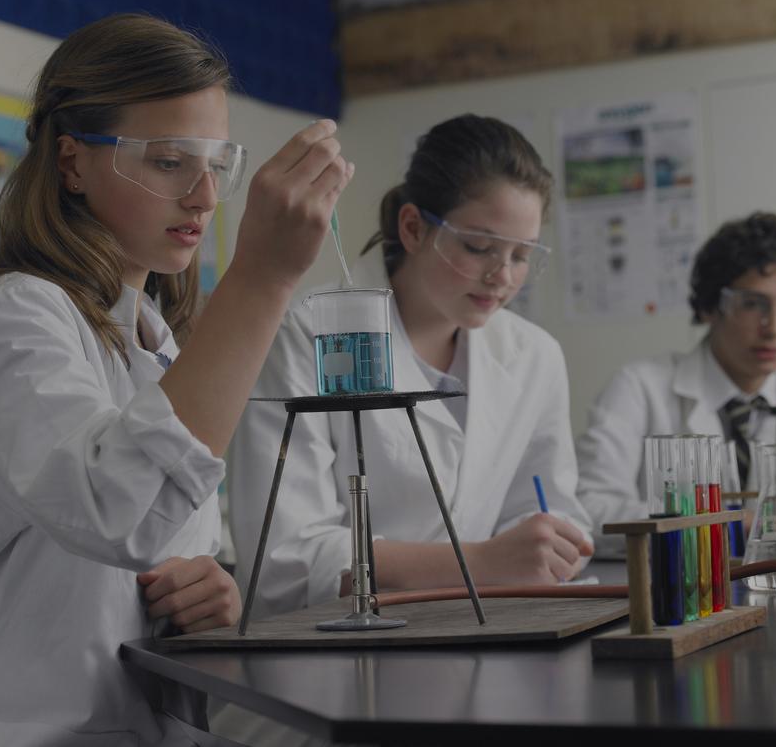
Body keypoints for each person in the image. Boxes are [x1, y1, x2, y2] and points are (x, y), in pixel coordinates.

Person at [0, 14, 352, 747]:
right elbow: (117, 510)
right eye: (169, 161)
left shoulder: (157, 340)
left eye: (216, 164)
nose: (204, 196)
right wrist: (262, 279)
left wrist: (206, 592)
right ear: (72, 163)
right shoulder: (16, 312)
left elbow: (151, 543)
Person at [229, 114, 594, 620]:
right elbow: (284, 560)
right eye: (480, 247)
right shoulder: (307, 334)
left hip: (486, 631)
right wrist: (480, 564)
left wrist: (550, 546)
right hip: (338, 645)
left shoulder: (535, 355)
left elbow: (548, 509)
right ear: (414, 228)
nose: (502, 276)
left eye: (521, 255)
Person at [576, 212, 776, 555]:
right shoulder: (640, 388)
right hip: (680, 585)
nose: (774, 328)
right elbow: (590, 510)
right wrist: (736, 523)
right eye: (752, 304)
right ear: (710, 306)